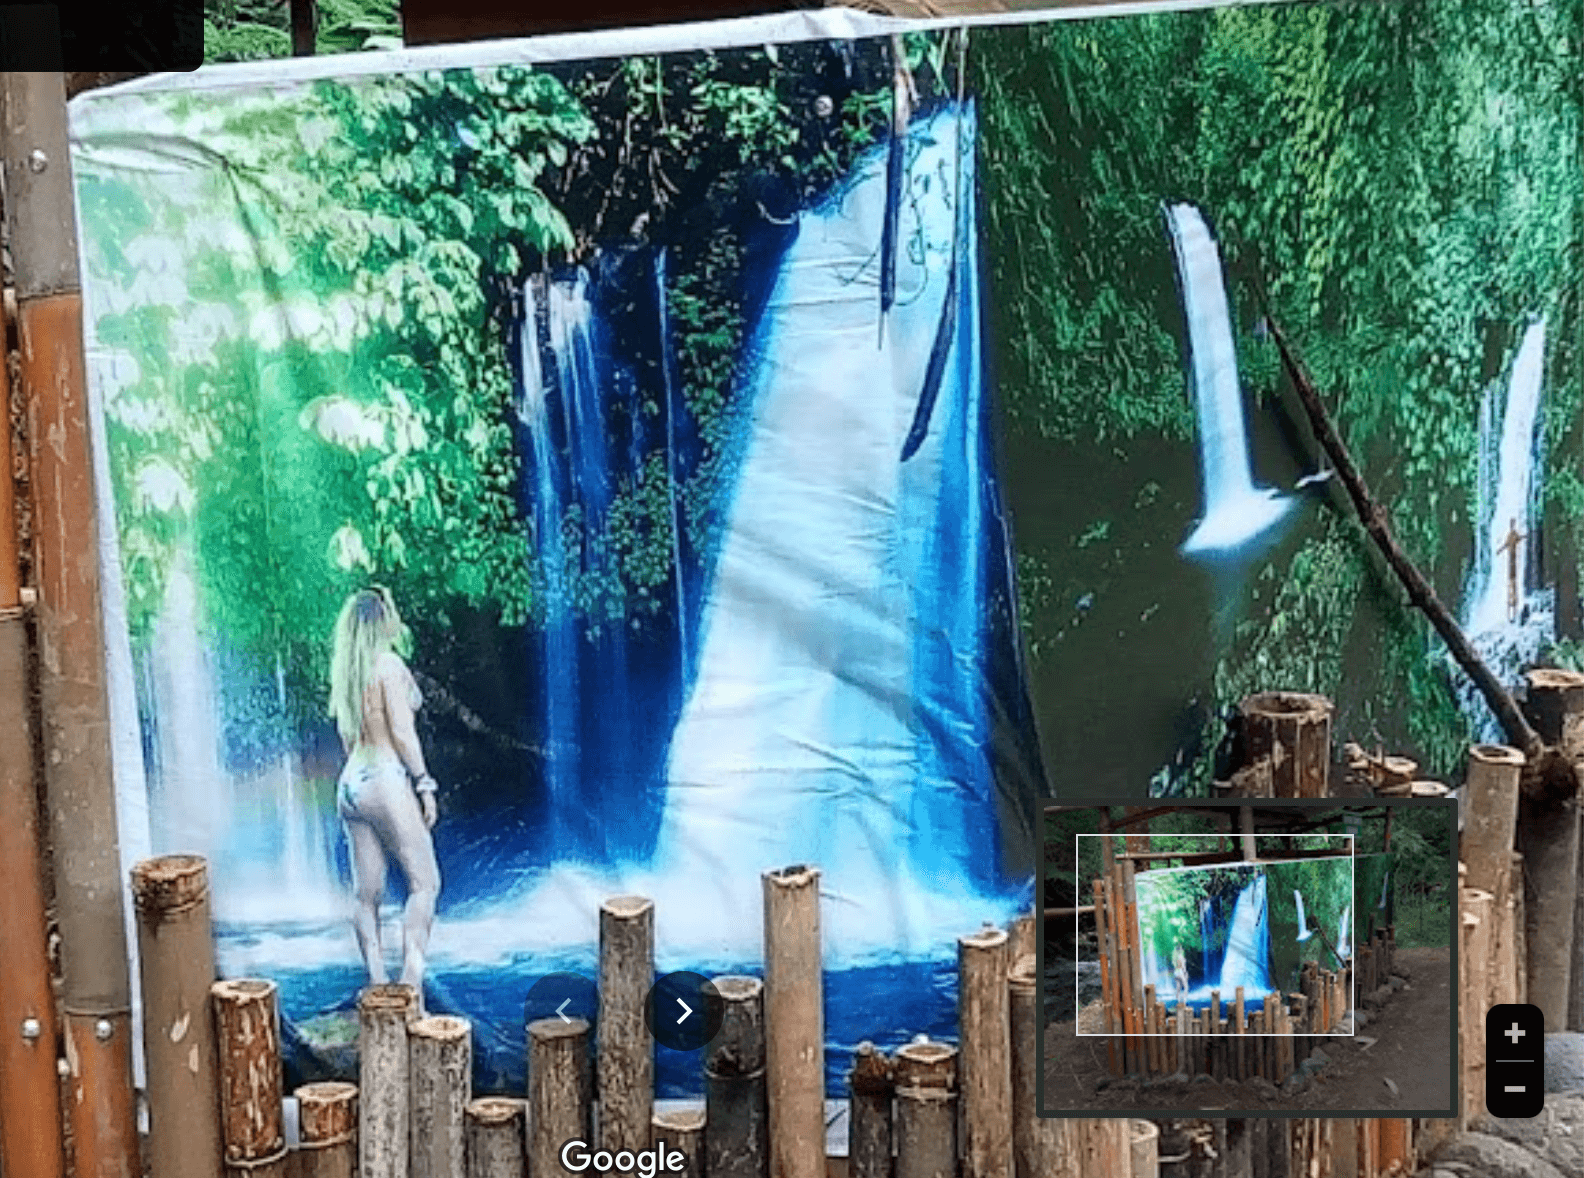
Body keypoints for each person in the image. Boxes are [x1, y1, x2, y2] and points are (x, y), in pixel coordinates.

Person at [329, 586, 441, 990]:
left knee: (366, 895)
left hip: (352, 784)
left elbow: (347, 736)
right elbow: (402, 732)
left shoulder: (348, 671)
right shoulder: (388, 665)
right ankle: (410, 984)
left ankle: (377, 984)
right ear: (383, 620)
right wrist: (424, 784)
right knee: (426, 884)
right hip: (385, 777)